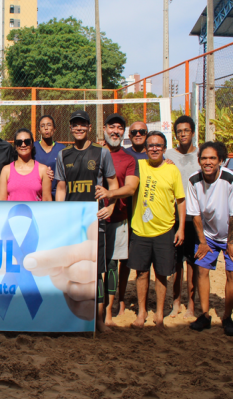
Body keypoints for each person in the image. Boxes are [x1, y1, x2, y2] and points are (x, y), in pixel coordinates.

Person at [54, 110, 118, 333]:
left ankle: (97, 320)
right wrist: (60, 216)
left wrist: (110, 206)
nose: (79, 128)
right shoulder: (63, 155)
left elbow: (114, 184)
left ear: (90, 127)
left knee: (95, 273)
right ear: (70, 128)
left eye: (83, 124)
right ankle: (70, 317)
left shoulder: (102, 153)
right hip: (72, 223)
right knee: (69, 270)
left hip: (94, 222)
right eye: (75, 125)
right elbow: (61, 188)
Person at [128, 131, 185, 329]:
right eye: (150, 145)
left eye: (158, 145)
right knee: (141, 273)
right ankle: (142, 312)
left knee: (161, 274)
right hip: (140, 230)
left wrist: (181, 228)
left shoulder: (172, 170)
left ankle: (159, 313)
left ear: (164, 148)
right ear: (145, 148)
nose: (154, 148)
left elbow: (180, 201)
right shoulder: (138, 165)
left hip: (165, 230)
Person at [187, 142, 233, 336]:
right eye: (204, 158)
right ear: (199, 161)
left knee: (232, 272)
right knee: (201, 270)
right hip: (208, 234)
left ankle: (227, 317)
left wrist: (230, 244)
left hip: (232, 234)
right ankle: (204, 315)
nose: (208, 162)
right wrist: (202, 242)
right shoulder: (193, 180)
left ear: (221, 160)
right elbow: (195, 214)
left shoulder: (230, 179)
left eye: (212, 158)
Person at [93, 113, 137, 326]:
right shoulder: (95, 152)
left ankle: (108, 313)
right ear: (104, 129)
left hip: (118, 219)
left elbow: (130, 188)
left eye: (120, 128)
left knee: (111, 265)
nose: (115, 131)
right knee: (95, 266)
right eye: (112, 127)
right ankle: (96, 311)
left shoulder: (129, 159)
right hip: (92, 220)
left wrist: (111, 197)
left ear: (123, 132)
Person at [165, 115, 201, 319]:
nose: (183, 134)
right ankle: (176, 303)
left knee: (193, 264)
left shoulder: (201, 155)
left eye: (186, 130)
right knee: (176, 263)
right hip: (175, 217)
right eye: (179, 131)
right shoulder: (169, 154)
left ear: (193, 132)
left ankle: (192, 305)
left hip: (195, 217)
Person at [0, 129, 52, 202]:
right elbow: (1, 200)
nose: (23, 145)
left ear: (32, 144)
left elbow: (47, 200)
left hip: (35, 213)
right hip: (13, 213)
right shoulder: (6, 170)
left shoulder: (43, 170)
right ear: (15, 146)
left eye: (27, 141)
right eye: (19, 142)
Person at [34, 115, 66, 200]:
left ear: (54, 129)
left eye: (49, 125)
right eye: (42, 126)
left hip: (57, 194)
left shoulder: (62, 149)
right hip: (37, 195)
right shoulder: (33, 148)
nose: (46, 128)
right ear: (39, 131)